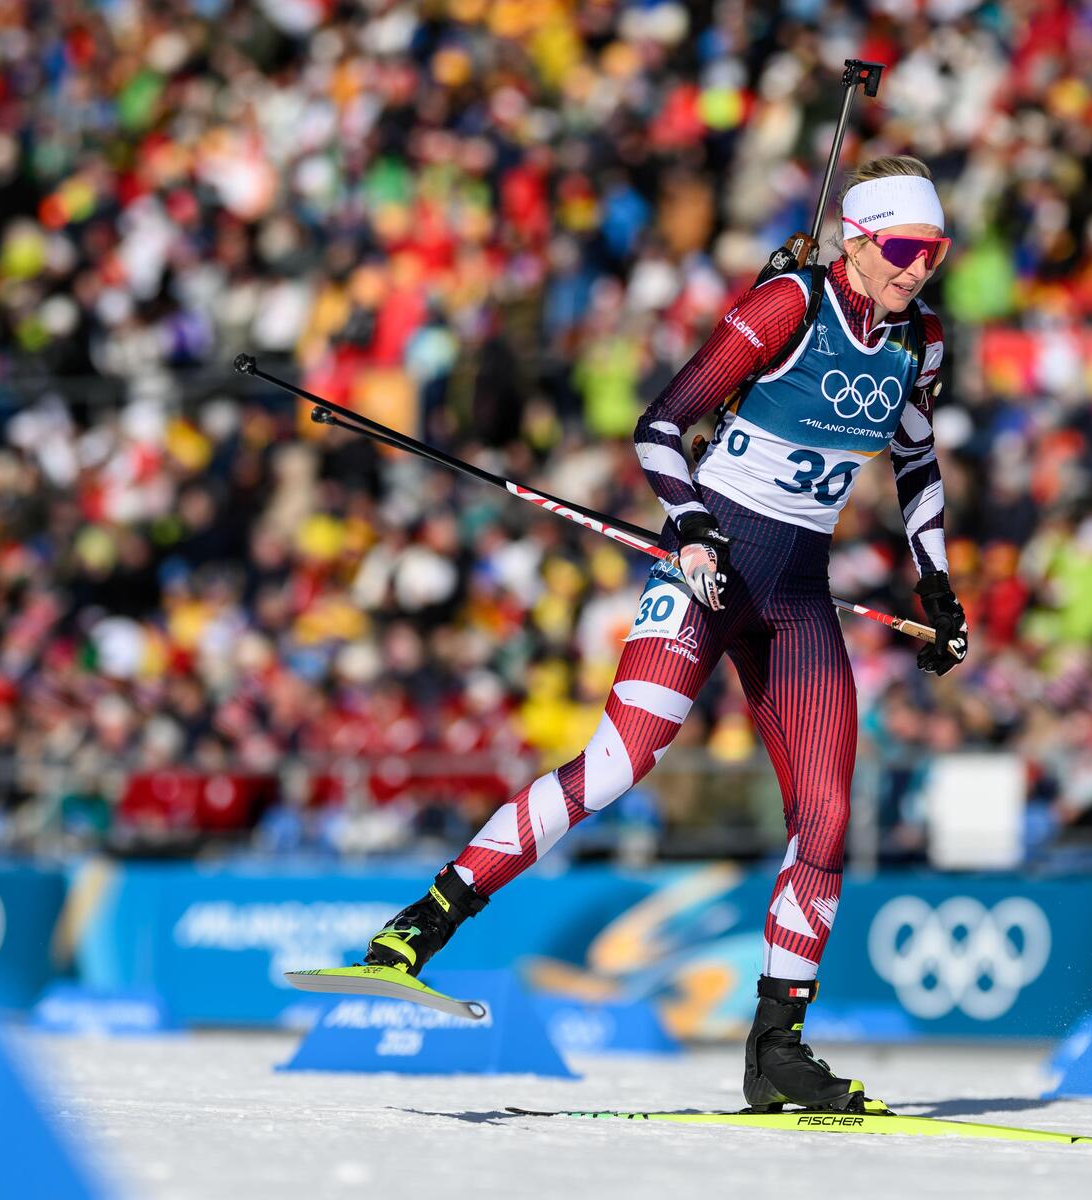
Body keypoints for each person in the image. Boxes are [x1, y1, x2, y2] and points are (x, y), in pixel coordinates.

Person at [359, 156, 968, 1112]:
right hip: (707, 568)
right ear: (857, 239)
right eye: (902, 248)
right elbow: (661, 424)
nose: (918, 269)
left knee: (828, 817)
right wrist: (687, 523)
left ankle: (777, 1049)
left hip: (798, 592)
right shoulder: (786, 306)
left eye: (932, 252)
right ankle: (420, 926)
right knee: (617, 764)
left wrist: (938, 586)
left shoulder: (919, 340)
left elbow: (918, 461)